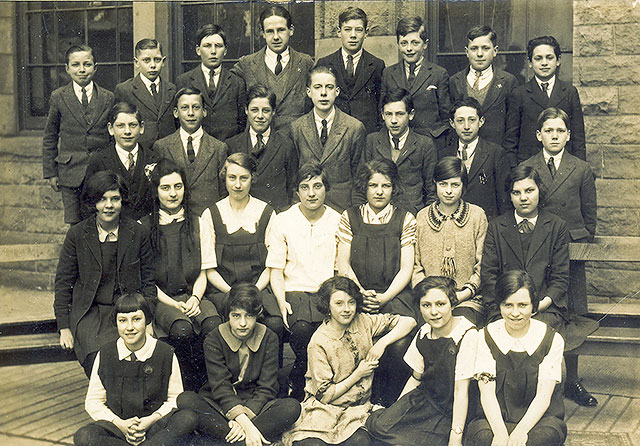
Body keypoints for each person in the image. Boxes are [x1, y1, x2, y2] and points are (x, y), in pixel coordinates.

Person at [521, 107, 599, 407]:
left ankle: (573, 380)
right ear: (539, 135)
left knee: (573, 315)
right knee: (539, 314)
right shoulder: (528, 167)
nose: (554, 136)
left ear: (568, 135)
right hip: (537, 252)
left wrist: (576, 242)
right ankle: (535, 382)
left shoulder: (580, 168)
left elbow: (589, 219)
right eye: (548, 130)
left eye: (560, 131)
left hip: (570, 252)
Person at [282, 276, 416, 446]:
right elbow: (325, 396)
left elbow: (409, 321)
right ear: (327, 306)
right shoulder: (319, 342)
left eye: (351, 302)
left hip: (357, 408)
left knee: (361, 441)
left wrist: (381, 344)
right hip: (325, 409)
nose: (346, 309)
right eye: (339, 303)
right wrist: (359, 373)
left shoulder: (362, 321)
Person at [54, 171, 155, 378]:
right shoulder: (77, 234)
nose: (108, 205)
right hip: (89, 312)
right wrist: (64, 327)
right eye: (102, 199)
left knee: (130, 360)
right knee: (97, 360)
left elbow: (149, 281)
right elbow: (63, 283)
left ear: (122, 200)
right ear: (93, 202)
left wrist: (149, 320)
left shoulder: (138, 232)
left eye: (115, 199)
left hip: (125, 310)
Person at [177, 283, 302, 446]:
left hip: (255, 406)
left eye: (248, 316)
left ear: (257, 315)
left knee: (292, 407)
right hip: (220, 403)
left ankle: (233, 441)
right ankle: (247, 440)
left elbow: (267, 387)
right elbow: (220, 387)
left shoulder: (269, 337)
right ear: (227, 315)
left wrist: (244, 420)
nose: (243, 323)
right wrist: (244, 423)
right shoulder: (214, 338)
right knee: (186, 399)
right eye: (236, 316)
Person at [337, 159, 418, 406]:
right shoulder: (350, 217)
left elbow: (406, 268)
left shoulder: (405, 219)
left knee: (399, 345)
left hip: (393, 296)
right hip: (357, 295)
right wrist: (359, 294)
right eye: (373, 185)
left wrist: (385, 297)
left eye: (386, 185)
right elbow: (343, 263)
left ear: (394, 188)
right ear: (365, 187)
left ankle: (388, 404)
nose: (379, 191)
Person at [74, 293, 197, 446]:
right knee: (84, 436)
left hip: (154, 426)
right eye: (122, 321)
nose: (130, 327)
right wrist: (120, 424)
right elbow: (93, 401)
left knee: (187, 418)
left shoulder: (165, 353)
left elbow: (175, 398)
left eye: (136, 319)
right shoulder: (106, 354)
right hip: (119, 427)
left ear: (147, 320)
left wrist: (149, 421)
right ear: (116, 323)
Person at [367, 276, 478, 446]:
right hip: (425, 401)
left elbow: (461, 391)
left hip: (451, 408)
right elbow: (416, 378)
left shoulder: (466, 334)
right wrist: (396, 410)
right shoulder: (424, 331)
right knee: (379, 427)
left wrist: (456, 436)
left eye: (440, 304)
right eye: (426, 305)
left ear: (453, 304)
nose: (434, 312)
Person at [142, 158, 222, 390]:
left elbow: (204, 270)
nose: (173, 193)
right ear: (156, 191)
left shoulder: (198, 223)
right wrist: (174, 305)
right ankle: (187, 389)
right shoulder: (145, 227)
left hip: (193, 296)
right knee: (182, 330)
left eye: (178, 186)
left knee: (213, 324)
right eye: (165, 188)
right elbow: (147, 280)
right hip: (162, 300)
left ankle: (212, 387)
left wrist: (196, 298)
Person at [266, 162, 341, 400]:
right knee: (300, 329)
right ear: (297, 191)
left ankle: (301, 377)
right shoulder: (282, 220)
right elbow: (275, 269)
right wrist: (280, 301)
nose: (311, 193)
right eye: (305, 187)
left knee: (311, 331)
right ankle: (300, 382)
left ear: (326, 189)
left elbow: (341, 268)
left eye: (317, 186)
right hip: (293, 291)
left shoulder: (338, 220)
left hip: (325, 293)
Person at [466, 270, 567, 446]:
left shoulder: (551, 339)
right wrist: (500, 434)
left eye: (522, 305)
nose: (515, 313)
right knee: (483, 438)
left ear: (533, 306)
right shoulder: (486, 336)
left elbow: (544, 396)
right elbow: (487, 393)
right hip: (495, 419)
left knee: (540, 439)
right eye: (508, 305)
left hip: (537, 420)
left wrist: (520, 432)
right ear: (499, 305)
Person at [207, 153, 284, 362]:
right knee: (213, 324)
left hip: (258, 288)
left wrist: (254, 291)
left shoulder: (266, 212)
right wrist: (232, 292)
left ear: (253, 178)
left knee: (275, 323)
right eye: (232, 178)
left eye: (244, 178)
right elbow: (209, 268)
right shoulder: (211, 213)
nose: (238, 184)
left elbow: (272, 264)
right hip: (223, 290)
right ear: (225, 178)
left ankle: (269, 379)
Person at [481, 165, 569, 344]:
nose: (523, 198)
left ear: (539, 191)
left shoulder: (556, 226)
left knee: (538, 335)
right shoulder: (496, 227)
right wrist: (507, 306)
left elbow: (560, 277)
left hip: (544, 307)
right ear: (510, 196)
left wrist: (539, 305)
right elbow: (489, 274)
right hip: (504, 307)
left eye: (529, 190)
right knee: (501, 334)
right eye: (516, 192)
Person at [43, 44, 115, 225]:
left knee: (101, 219)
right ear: (67, 69)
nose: (82, 70)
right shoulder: (58, 97)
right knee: (75, 223)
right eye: (76, 65)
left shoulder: (108, 97)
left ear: (95, 67)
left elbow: (114, 136)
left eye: (87, 64)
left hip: (100, 171)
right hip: (70, 172)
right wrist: (51, 172)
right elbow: (50, 136)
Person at [413, 157, 488, 327]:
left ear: (463, 186)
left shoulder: (477, 216)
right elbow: (416, 266)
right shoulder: (422, 218)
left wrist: (462, 294)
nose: (448, 191)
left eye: (455, 185)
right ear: (435, 184)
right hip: (428, 299)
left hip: (466, 299)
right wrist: (430, 296)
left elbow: (483, 265)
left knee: (460, 326)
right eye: (443, 184)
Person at [288, 65, 367, 212]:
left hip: (342, 208)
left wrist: (355, 213)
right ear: (308, 92)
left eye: (329, 87)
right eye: (317, 87)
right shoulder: (296, 128)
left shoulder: (354, 128)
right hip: (307, 208)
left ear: (337, 92)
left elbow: (359, 177)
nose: (323, 93)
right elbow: (293, 175)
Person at [504, 35, 586, 166]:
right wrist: (516, 171)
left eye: (549, 57)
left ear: (558, 60)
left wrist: (579, 169)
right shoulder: (519, 94)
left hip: (563, 165)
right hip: (529, 166)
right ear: (530, 63)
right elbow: (511, 140)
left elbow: (578, 137)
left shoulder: (569, 92)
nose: (544, 63)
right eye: (538, 58)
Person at [232, 4, 314, 131]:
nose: (276, 37)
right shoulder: (246, 64)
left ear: (291, 30)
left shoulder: (305, 63)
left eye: (281, 30)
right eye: (270, 31)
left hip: (295, 141)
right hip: (260, 142)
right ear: (262, 33)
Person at [152, 87, 227, 216]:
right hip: (174, 220)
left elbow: (223, 192)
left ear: (204, 112)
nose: (190, 113)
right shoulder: (162, 146)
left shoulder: (219, 148)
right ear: (176, 112)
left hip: (208, 220)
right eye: (185, 108)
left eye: (196, 107)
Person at [381, 16, 451, 152]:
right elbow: (382, 111)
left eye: (415, 43)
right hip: (397, 143)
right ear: (398, 44)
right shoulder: (389, 73)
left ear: (425, 44)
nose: (409, 49)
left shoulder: (438, 73)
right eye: (404, 43)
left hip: (430, 143)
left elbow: (446, 115)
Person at [226, 84, 299, 211]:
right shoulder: (232, 145)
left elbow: (292, 187)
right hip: (243, 214)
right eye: (254, 110)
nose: (260, 116)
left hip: (275, 215)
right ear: (246, 110)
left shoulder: (286, 145)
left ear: (273, 112)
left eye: (265, 110)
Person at [364, 88, 437, 214]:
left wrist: (424, 218)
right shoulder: (372, 141)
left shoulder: (424, 144)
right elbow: (361, 185)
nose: (393, 120)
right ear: (382, 115)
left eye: (399, 114)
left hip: (412, 215)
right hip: (377, 215)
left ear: (411, 114)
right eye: (388, 114)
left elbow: (432, 190)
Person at [316, 6, 385, 134]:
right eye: (347, 29)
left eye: (358, 30)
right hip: (335, 134)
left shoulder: (377, 65)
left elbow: (381, 105)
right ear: (338, 31)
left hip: (367, 134)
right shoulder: (324, 63)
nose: (353, 35)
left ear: (366, 33)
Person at [448, 25, 518, 147]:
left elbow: (512, 126)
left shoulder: (508, 81)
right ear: (466, 52)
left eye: (485, 48)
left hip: (497, 153)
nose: (479, 54)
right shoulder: (455, 81)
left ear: (495, 51)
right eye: (474, 48)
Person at [441, 97, 509, 219]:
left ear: (481, 121)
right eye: (460, 121)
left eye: (472, 120)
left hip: (485, 222)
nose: (466, 126)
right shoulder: (444, 154)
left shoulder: (495, 153)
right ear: (452, 123)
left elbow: (503, 199)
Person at [85, 102, 154, 221]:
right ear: (111, 129)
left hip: (146, 233)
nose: (127, 131)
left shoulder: (153, 158)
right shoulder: (98, 160)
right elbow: (88, 203)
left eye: (133, 125)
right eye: (120, 126)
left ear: (141, 127)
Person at [176, 24, 246, 141]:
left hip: (228, 149)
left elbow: (242, 122)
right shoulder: (184, 81)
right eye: (207, 46)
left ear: (225, 50)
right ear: (198, 50)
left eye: (218, 46)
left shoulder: (237, 83)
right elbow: (178, 122)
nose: (213, 51)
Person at [114, 38, 176, 149]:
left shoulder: (171, 89)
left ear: (164, 62)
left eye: (157, 60)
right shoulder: (125, 90)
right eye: (146, 60)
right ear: (136, 62)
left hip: (169, 152)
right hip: (140, 152)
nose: (152, 65)